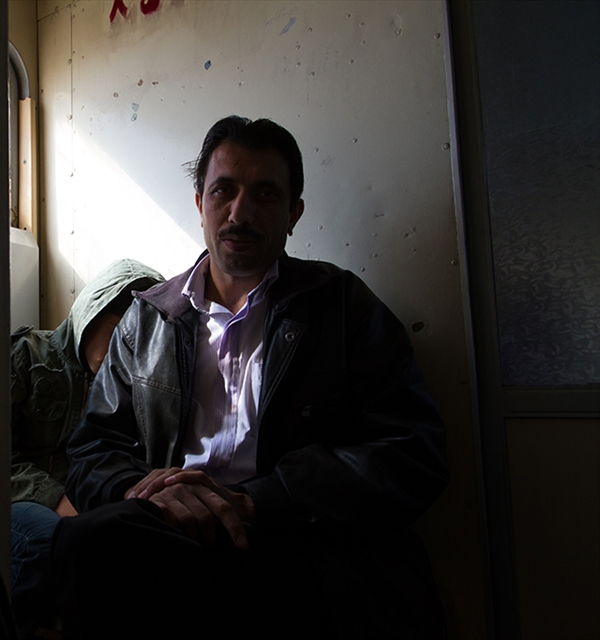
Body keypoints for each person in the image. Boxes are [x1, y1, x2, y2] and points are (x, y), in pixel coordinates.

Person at [53, 117, 451, 639]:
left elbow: (413, 450)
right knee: (84, 543)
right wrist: (140, 491)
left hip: (293, 538)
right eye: (224, 190)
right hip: (173, 531)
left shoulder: (342, 307)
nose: (240, 212)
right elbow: (89, 450)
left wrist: (263, 500)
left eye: (265, 194)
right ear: (199, 203)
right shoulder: (146, 320)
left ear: (293, 213)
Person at [9, 258, 164, 640]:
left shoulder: (130, 392)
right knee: (46, 539)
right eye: (119, 331)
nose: (123, 349)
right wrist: (57, 500)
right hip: (15, 500)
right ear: (92, 313)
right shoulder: (29, 355)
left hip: (88, 508)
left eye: (136, 340)